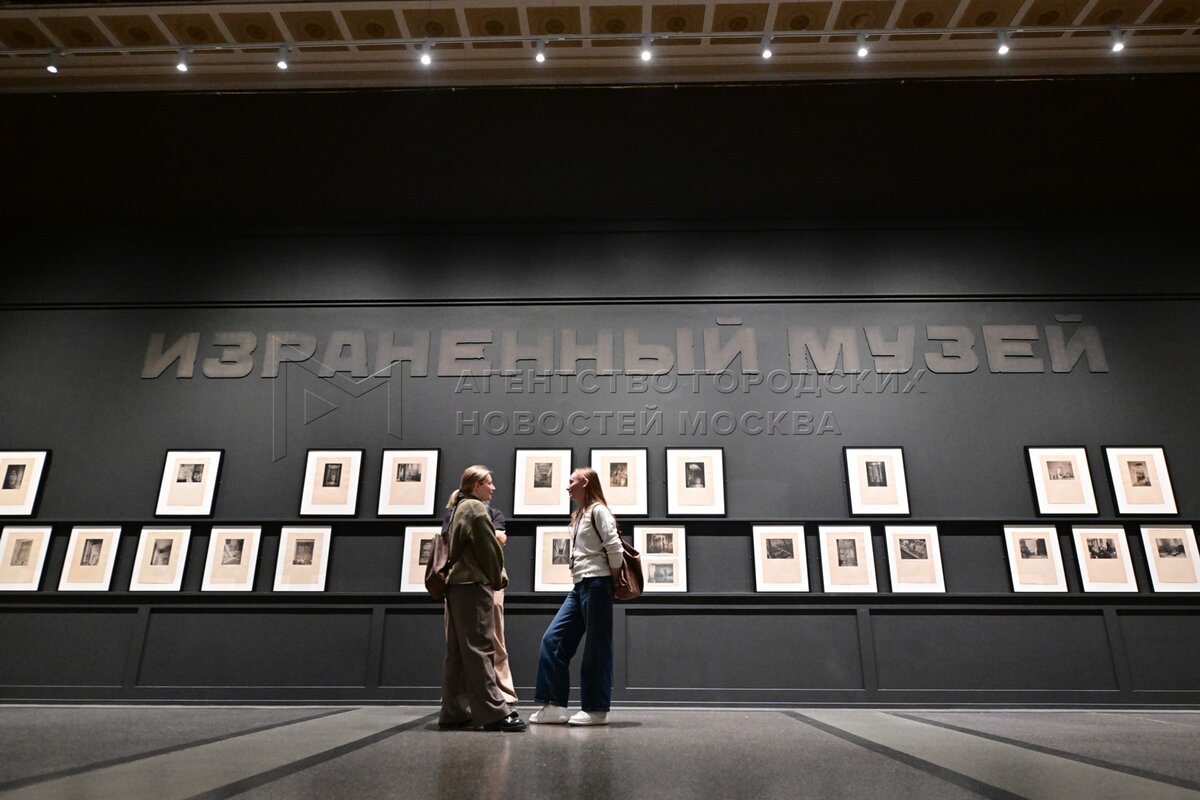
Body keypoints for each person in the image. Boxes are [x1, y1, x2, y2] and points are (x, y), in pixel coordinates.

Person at [530, 467, 624, 726]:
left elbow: (614, 548)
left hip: (597, 583)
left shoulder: (598, 511)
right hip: (580, 585)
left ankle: (596, 710)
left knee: (596, 648)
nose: (567, 486)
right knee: (553, 640)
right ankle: (554, 706)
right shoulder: (580, 514)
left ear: (585, 482)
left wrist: (611, 580)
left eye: (571, 481)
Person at [439, 465, 527, 732]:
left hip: (456, 586)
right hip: (474, 585)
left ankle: (454, 712)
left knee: (457, 652)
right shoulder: (476, 508)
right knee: (480, 649)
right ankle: (493, 713)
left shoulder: (458, 508)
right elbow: (489, 550)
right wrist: (498, 579)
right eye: (489, 483)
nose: (493, 487)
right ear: (476, 486)